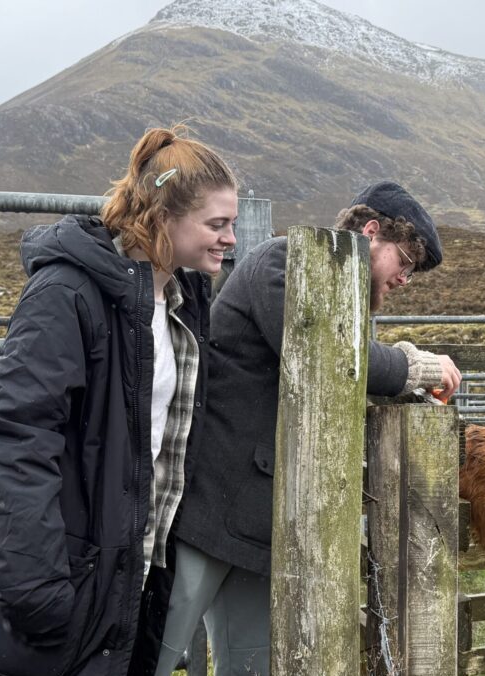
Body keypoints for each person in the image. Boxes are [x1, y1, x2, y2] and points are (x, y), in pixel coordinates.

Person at [0, 125, 239, 676]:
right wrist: (39, 590)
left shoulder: (184, 302)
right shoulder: (67, 293)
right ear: (164, 217)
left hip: (120, 581)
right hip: (55, 589)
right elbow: (12, 437)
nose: (231, 238)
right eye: (217, 224)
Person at [154, 181, 462, 676]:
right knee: (156, 653)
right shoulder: (284, 264)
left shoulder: (342, 296)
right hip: (209, 510)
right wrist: (413, 365)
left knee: (250, 666)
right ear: (371, 231)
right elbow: (334, 358)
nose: (405, 279)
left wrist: (398, 378)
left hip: (259, 527)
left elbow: (347, 362)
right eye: (404, 261)